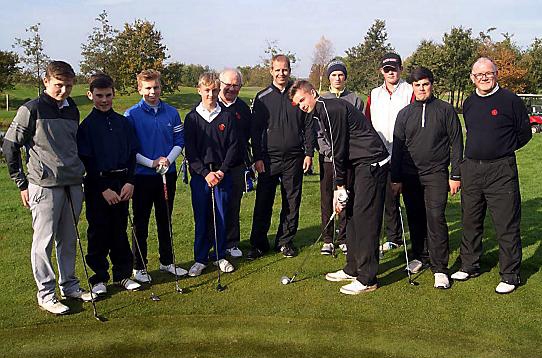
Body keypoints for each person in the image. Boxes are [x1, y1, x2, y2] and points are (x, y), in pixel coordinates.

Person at [2, 61, 94, 315]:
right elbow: (10, 145)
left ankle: (70, 286)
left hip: (73, 182)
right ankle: (46, 293)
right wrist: (21, 182)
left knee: (68, 239)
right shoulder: (30, 109)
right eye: (58, 85)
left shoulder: (72, 108)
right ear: (46, 82)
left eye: (68, 86)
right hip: (44, 186)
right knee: (43, 242)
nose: (63, 91)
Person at [289, 80, 389, 295]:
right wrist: (341, 188)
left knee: (365, 220)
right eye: (297, 103)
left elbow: (339, 150)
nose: (301, 105)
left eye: (302, 100)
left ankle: (367, 277)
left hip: (371, 162)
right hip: (358, 164)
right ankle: (352, 268)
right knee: (351, 215)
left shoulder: (329, 108)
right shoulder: (319, 112)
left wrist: (340, 186)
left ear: (312, 93)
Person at [451, 57, 532, 294]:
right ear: (472, 78)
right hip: (472, 169)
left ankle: (510, 275)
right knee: (470, 220)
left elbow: (524, 133)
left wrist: (502, 149)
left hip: (501, 170)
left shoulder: (510, 100)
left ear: (496, 74)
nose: (484, 78)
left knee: (505, 223)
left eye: (488, 73)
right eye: (479, 75)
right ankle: (469, 265)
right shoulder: (469, 103)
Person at [391, 67, 463, 289]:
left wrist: (456, 174)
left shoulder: (445, 110)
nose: (421, 89)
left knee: (436, 218)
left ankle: (440, 268)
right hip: (410, 175)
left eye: (425, 84)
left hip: (436, 174)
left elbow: (457, 143)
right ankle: (419, 257)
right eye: (417, 85)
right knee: (415, 217)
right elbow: (398, 148)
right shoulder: (404, 114)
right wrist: (396, 178)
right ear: (412, 87)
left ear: (431, 84)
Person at [77, 73, 142, 295]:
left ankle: (123, 274)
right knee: (98, 231)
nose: (104, 100)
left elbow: (132, 154)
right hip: (98, 185)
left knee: (119, 230)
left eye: (108, 95)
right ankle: (99, 278)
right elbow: (87, 161)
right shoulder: (86, 126)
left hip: (122, 181)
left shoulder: (123, 123)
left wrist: (130, 182)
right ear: (90, 95)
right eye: (99, 96)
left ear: (113, 94)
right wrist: (103, 188)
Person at [246, 55, 314, 259]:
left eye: (284, 70)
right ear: (271, 71)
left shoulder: (298, 95)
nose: (281, 73)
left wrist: (309, 153)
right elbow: (255, 130)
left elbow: (309, 126)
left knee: (291, 202)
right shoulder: (262, 97)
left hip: (294, 157)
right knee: (263, 202)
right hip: (268, 159)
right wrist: (257, 157)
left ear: (289, 70)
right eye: (277, 70)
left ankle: (285, 242)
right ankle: (259, 244)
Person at [125, 69, 187, 283]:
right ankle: (138, 267)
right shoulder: (131, 115)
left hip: (166, 174)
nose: (153, 92)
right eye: (148, 88)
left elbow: (180, 141)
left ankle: (167, 261)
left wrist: (168, 160)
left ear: (161, 87)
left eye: (156, 87)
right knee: (140, 222)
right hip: (142, 175)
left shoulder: (171, 112)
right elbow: (129, 149)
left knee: (164, 219)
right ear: (140, 88)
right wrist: (151, 162)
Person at [184, 72, 239, 276]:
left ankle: (220, 255)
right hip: (200, 176)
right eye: (206, 90)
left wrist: (222, 171)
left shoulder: (226, 116)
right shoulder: (192, 118)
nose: (211, 94)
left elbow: (234, 146)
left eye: (214, 90)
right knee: (202, 217)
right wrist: (205, 173)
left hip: (222, 174)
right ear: (199, 90)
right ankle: (200, 258)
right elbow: (190, 151)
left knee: (221, 216)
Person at [365, 53, 414, 253]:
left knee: (412, 199)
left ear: (401, 69)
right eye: (387, 69)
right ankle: (394, 236)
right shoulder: (374, 94)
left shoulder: (410, 90)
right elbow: (367, 123)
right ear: (381, 72)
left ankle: (421, 239)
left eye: (394, 68)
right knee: (388, 199)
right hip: (382, 154)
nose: (391, 72)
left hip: (407, 153)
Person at [317, 59, 363, 255]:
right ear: (329, 78)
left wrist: (346, 152)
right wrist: (330, 152)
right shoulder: (321, 99)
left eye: (341, 74)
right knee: (327, 197)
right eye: (334, 75)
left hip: (348, 158)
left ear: (345, 77)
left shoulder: (355, 99)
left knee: (345, 197)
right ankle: (328, 239)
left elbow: (358, 128)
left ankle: (344, 236)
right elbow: (317, 131)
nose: (337, 78)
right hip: (328, 159)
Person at [218, 68, 252, 258]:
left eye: (236, 85)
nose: (231, 88)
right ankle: (214, 242)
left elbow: (247, 134)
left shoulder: (243, 108)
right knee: (214, 206)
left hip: (237, 165)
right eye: (228, 85)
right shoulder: (211, 105)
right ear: (220, 84)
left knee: (233, 205)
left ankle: (231, 242)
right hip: (215, 167)